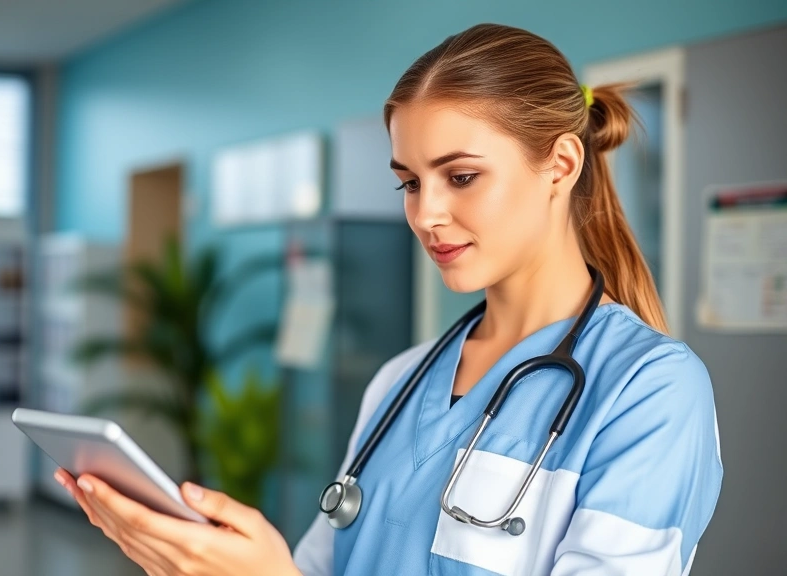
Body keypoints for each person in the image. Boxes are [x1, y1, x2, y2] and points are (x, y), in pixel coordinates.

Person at [54, 23, 723, 576]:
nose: (426, 215)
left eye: (461, 176)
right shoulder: (399, 383)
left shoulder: (650, 391)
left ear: (562, 165)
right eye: (410, 183)